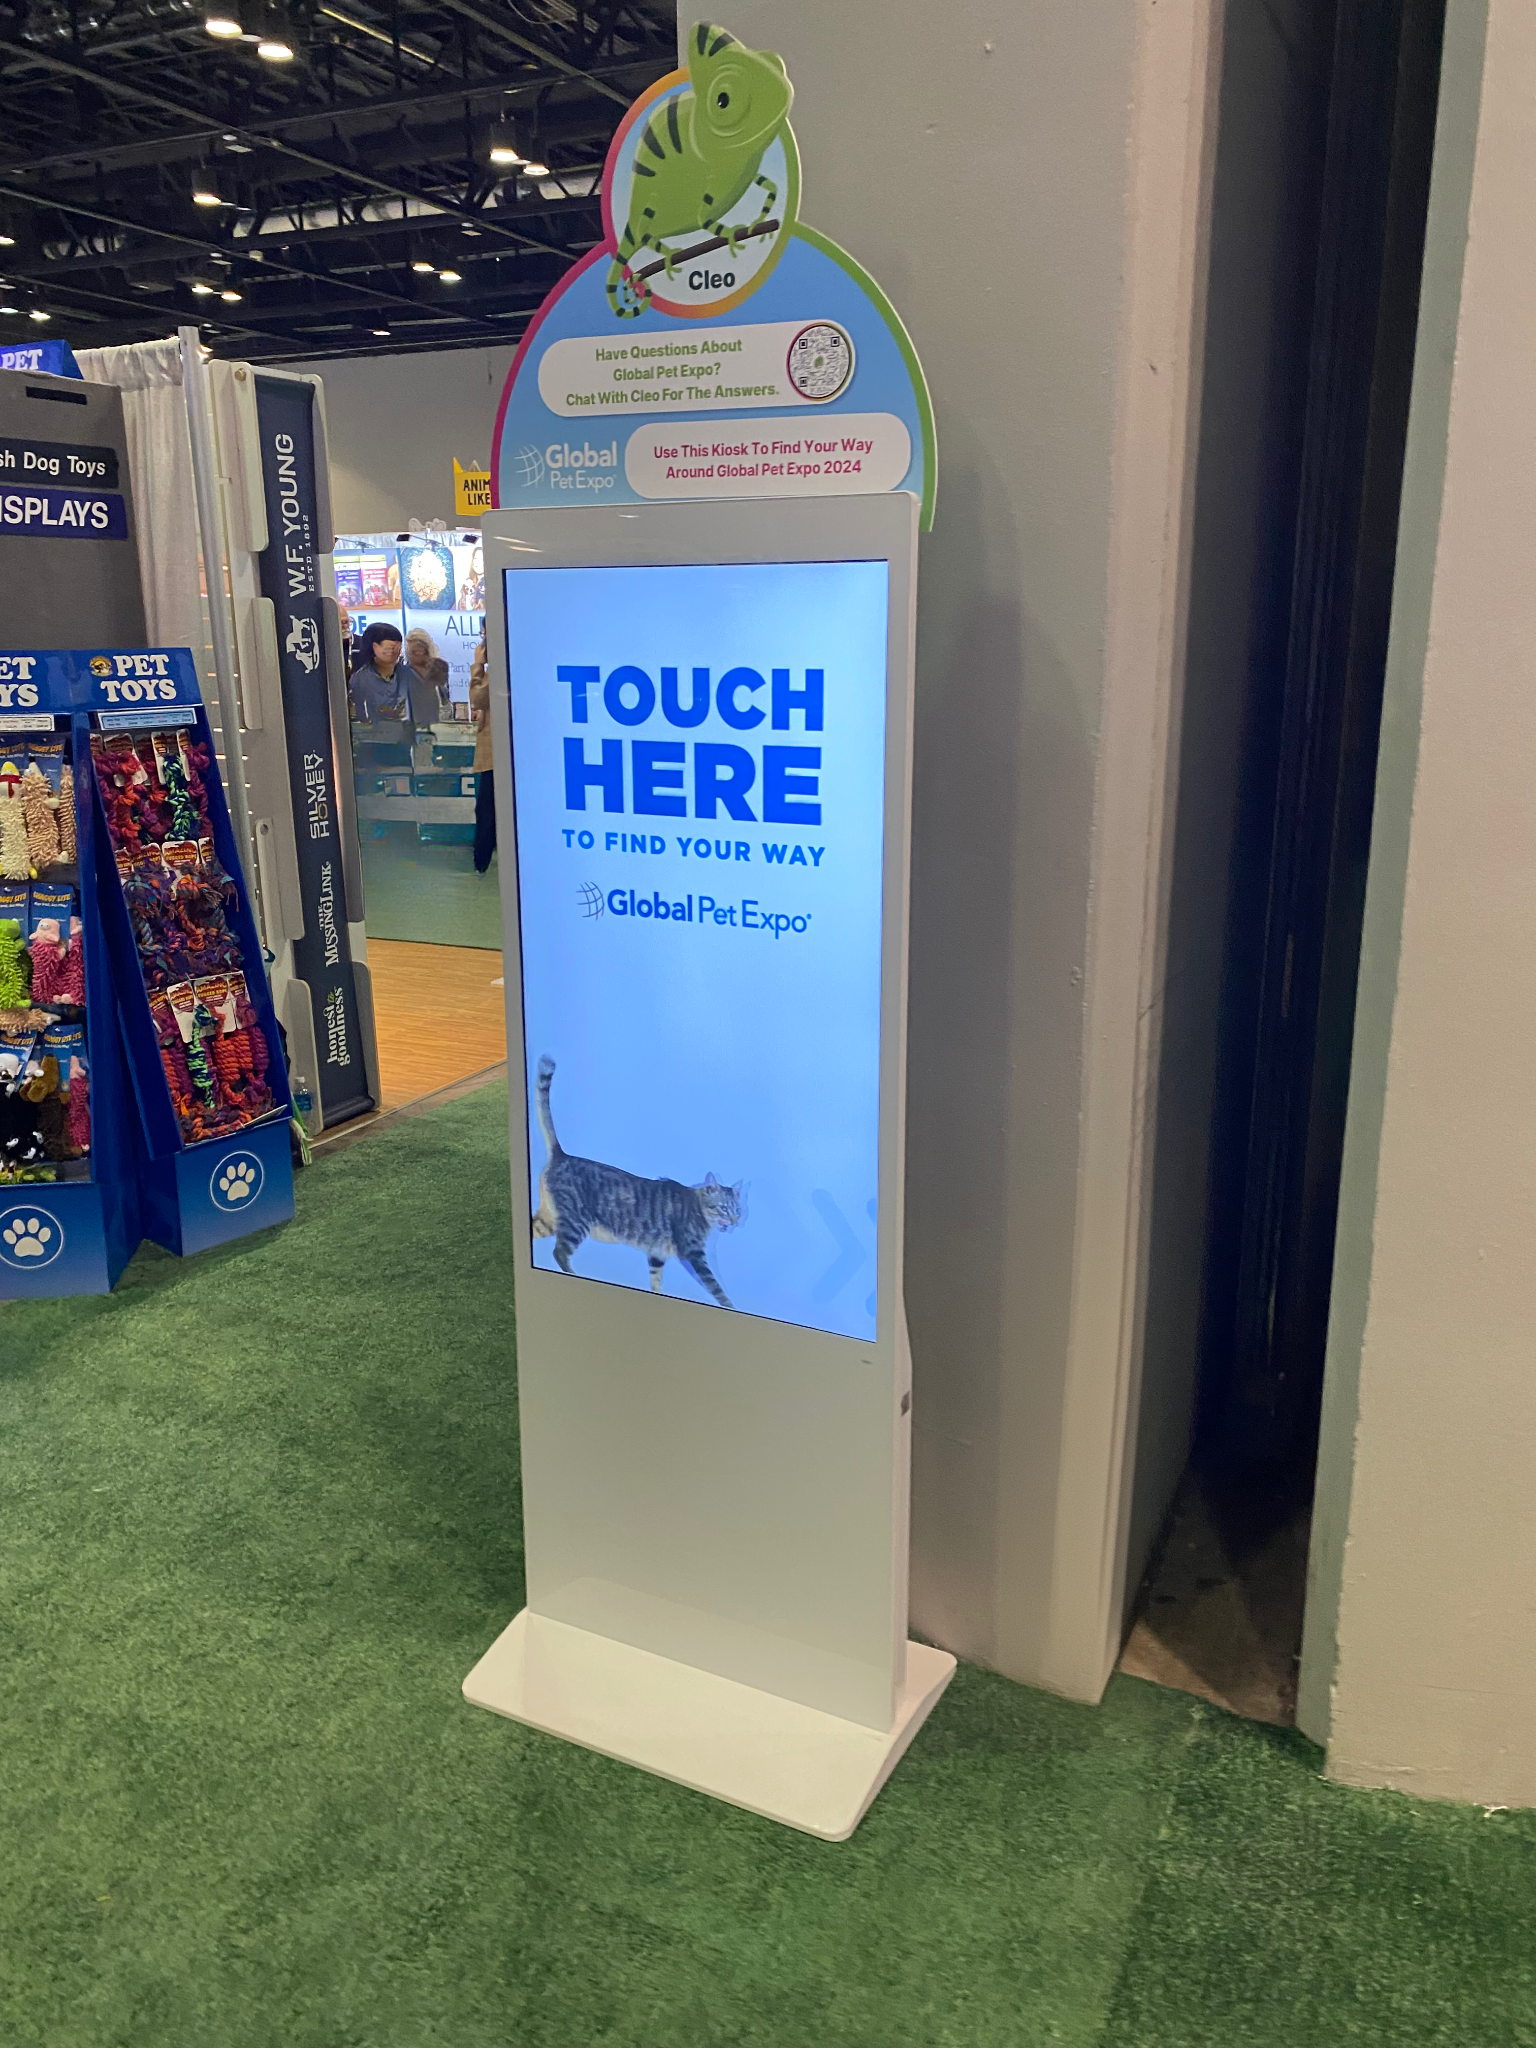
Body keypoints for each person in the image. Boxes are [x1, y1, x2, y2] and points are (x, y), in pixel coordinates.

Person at [348, 622, 412, 733]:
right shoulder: (361, 679)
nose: (395, 652)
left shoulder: (408, 674)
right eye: (389, 649)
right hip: (374, 737)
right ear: (373, 648)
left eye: (398, 648)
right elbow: (363, 717)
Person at [469, 631, 496, 874]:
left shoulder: (496, 670)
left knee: (487, 809)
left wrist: (477, 665)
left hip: (496, 753)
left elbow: (478, 698)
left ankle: (482, 862)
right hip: (498, 753)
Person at [403, 628, 450, 729]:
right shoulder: (402, 675)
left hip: (438, 729)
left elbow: (445, 702)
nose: (418, 655)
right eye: (414, 652)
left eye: (421, 650)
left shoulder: (439, 669)